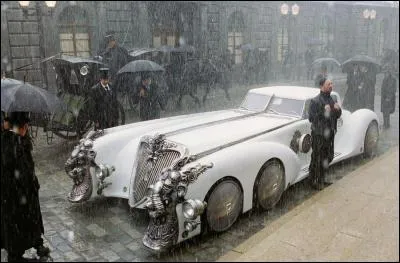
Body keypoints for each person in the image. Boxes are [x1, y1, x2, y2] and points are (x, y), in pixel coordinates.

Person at [1, 112, 50, 262]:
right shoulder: (11, 144)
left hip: (24, 193)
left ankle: (36, 243)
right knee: (17, 225)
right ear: (21, 127)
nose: (28, 128)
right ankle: (15, 256)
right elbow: (19, 172)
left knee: (30, 220)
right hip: (15, 196)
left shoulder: (18, 140)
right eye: (26, 126)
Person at [308, 78, 342, 190]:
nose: (331, 85)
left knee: (328, 157)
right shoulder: (315, 101)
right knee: (317, 158)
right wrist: (322, 111)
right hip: (319, 134)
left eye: (332, 83)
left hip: (330, 133)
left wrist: (338, 110)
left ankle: (322, 178)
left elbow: (336, 116)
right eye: (329, 84)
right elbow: (311, 118)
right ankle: (314, 181)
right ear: (322, 86)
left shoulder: (332, 99)